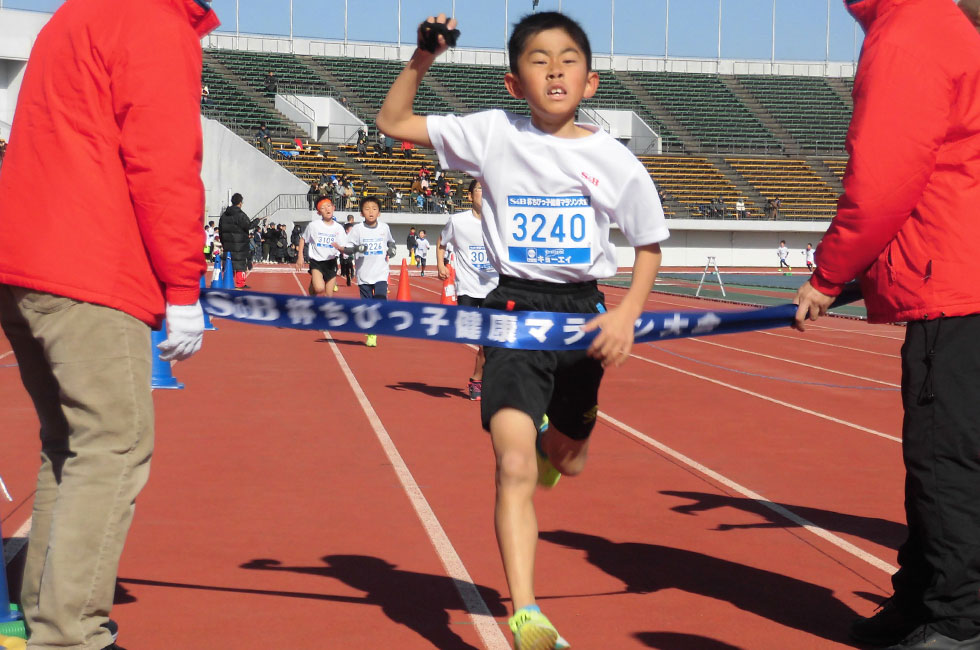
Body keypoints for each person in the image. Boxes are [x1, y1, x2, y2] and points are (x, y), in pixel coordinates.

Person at [376, 11, 667, 650]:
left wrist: (625, 314)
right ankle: (527, 614)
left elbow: (649, 244)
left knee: (567, 459)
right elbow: (393, 122)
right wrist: (424, 57)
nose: (555, 70)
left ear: (590, 82)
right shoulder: (492, 134)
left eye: (568, 60)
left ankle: (551, 451)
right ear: (514, 83)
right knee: (512, 466)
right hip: (512, 313)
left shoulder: (612, 159)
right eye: (539, 60)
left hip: (583, 319)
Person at [0, 0, 218, 648]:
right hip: (90, 263)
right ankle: (70, 635)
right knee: (113, 445)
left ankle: (46, 618)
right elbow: (163, 162)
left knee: (70, 444)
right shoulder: (154, 23)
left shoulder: (78, 14)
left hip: (27, 256)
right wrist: (183, 285)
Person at [793, 1, 980, 648]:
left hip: (952, 284)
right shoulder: (942, 25)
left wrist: (828, 274)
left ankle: (959, 622)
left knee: (944, 462)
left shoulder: (907, 35)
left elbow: (883, 179)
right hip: (959, 270)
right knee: (943, 457)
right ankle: (922, 601)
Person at [437, 179, 499, 401]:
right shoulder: (457, 221)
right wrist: (441, 264)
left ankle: (478, 380)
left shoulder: (501, 222)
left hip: (495, 287)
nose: (484, 192)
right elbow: (441, 243)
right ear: (470, 196)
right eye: (480, 189)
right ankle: (480, 378)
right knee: (479, 338)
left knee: (489, 341)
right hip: (468, 287)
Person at [345, 196, 396, 347]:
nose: (371, 212)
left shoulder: (384, 228)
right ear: (362, 213)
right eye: (367, 209)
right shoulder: (357, 229)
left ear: (379, 212)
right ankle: (371, 332)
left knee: (380, 301)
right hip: (364, 274)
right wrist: (357, 248)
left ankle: (375, 328)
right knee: (367, 306)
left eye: (374, 209)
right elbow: (347, 248)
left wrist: (392, 249)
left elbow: (391, 242)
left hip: (380, 272)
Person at [296, 196, 347, 296]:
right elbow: (303, 239)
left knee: (329, 296)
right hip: (317, 262)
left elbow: (343, 246)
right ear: (319, 212)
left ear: (333, 207)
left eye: (329, 206)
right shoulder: (313, 225)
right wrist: (300, 257)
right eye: (323, 208)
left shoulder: (339, 228)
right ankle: (313, 286)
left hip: (331, 262)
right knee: (319, 288)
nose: (327, 209)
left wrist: (341, 250)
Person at [219, 193, 254, 288]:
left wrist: (223, 242)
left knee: (228, 263)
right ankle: (240, 283)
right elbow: (248, 225)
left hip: (227, 243)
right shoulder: (240, 215)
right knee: (240, 264)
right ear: (240, 203)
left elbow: (220, 231)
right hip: (240, 244)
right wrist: (257, 221)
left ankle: (226, 281)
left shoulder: (224, 215)